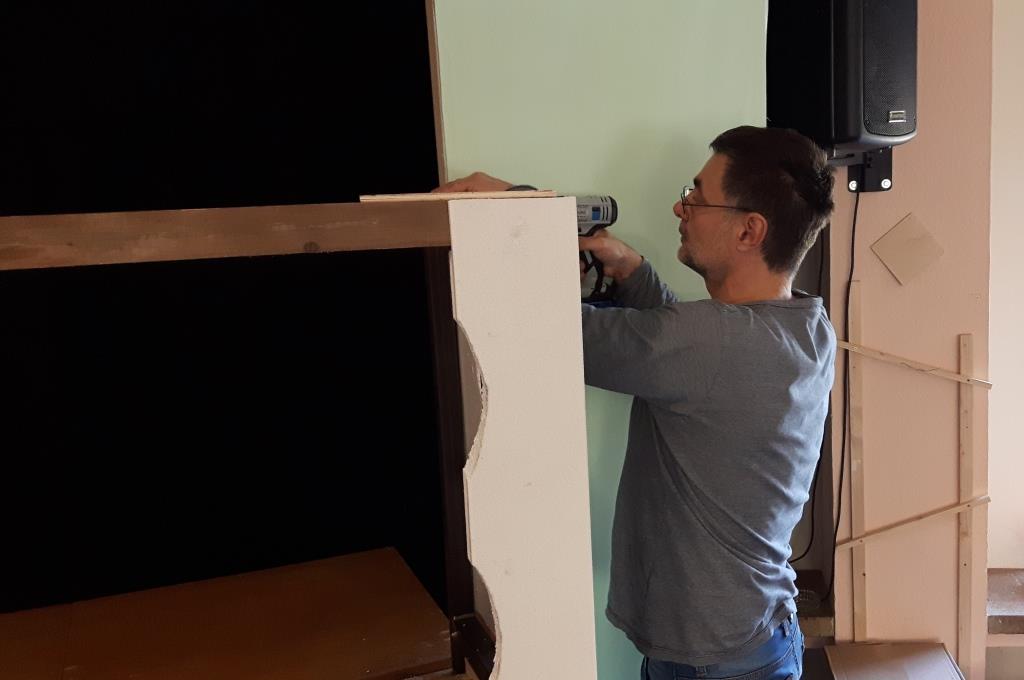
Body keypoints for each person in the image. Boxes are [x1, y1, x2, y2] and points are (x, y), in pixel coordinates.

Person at [436, 125, 836, 680]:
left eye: (697, 196)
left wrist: (517, 210)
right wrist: (634, 273)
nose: (681, 207)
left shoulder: (712, 343)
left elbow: (556, 331)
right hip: (746, 639)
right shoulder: (804, 328)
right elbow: (691, 355)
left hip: (718, 663)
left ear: (750, 230)